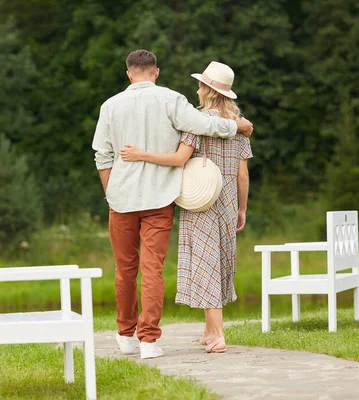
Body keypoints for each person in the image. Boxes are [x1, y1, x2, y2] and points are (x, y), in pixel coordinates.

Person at [92, 50, 253, 359]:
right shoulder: (172, 100)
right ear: (156, 72)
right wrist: (238, 127)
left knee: (125, 269)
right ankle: (149, 341)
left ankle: (126, 335)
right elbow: (206, 125)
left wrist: (111, 191)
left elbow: (102, 154)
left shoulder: (109, 106)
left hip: (121, 199)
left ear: (129, 74)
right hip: (160, 199)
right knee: (152, 269)